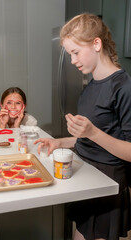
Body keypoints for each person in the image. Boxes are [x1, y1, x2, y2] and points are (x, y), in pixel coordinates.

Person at [35, 13, 131, 240]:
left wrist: (93, 133)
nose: (72, 60)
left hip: (107, 184)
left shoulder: (123, 87)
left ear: (96, 43)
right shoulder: (89, 87)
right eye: (70, 54)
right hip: (85, 174)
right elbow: (86, 138)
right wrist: (59, 141)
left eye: (75, 52)